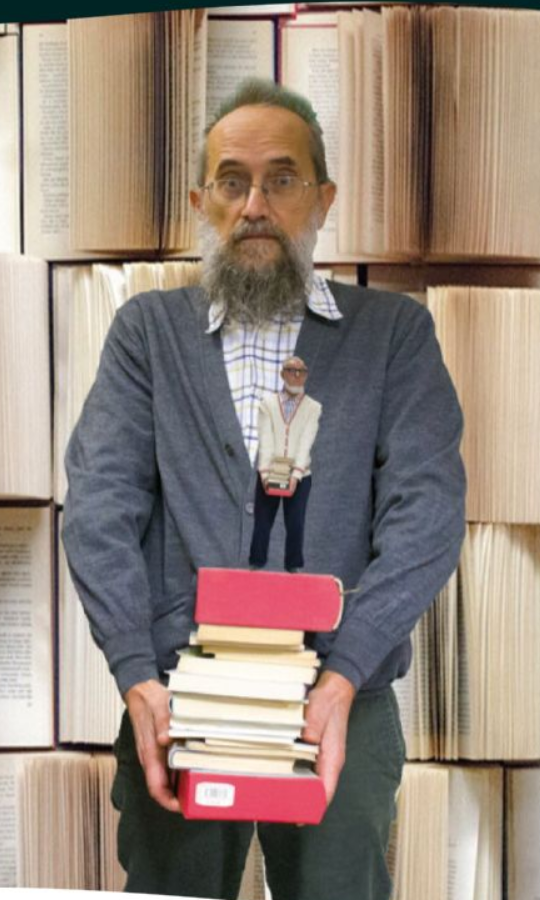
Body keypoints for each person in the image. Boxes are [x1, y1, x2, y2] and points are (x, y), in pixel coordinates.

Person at [63, 77, 464, 900]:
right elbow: (99, 509)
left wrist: (345, 672)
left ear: (322, 199)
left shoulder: (393, 334)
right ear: (200, 203)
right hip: (180, 692)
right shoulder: (148, 334)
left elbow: (427, 514)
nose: (254, 205)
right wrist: (136, 672)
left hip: (343, 693)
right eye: (231, 182)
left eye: (281, 179)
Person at [248, 355, 321, 573]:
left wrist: (296, 474)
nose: (296, 376)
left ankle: (293, 566)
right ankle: (256, 563)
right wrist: (265, 474)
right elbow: (266, 439)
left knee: (296, 522)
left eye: (301, 372)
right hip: (271, 471)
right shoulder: (268, 404)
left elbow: (306, 441)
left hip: (300, 474)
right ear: (282, 374)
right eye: (291, 371)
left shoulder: (313, 407)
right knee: (262, 520)